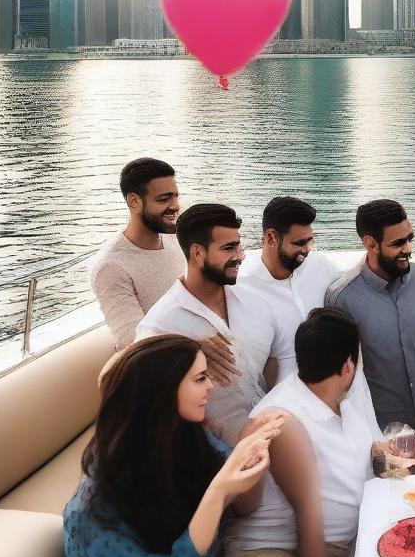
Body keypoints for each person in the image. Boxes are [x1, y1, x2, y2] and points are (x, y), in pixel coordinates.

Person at [63, 335, 362, 557]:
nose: (212, 387)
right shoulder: (99, 500)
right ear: (162, 389)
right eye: (200, 379)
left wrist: (252, 449)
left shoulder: (188, 438)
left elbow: (247, 505)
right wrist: (218, 493)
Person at [226, 308, 383, 557]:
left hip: (349, 545)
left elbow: (373, 451)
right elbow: (309, 521)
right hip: (277, 555)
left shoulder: (346, 397)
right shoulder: (284, 420)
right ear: (349, 365)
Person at [136, 204, 287, 443]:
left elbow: (273, 363)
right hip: (212, 455)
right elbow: (144, 405)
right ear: (197, 253)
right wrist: (185, 352)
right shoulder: (159, 326)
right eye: (229, 248)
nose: (240, 255)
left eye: (239, 245)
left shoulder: (258, 304)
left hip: (274, 434)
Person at [325, 199, 415, 433]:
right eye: (398, 243)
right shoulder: (341, 298)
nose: (408, 249)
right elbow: (335, 379)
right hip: (378, 432)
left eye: (410, 239)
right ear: (370, 244)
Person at [238, 196, 343, 382]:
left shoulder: (322, 267)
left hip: (330, 396)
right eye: (299, 243)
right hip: (279, 404)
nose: (307, 250)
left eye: (310, 241)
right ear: (271, 238)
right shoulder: (242, 286)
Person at [90, 157, 186, 349]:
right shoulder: (112, 268)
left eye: (176, 196)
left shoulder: (175, 240)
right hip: (164, 372)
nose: (176, 205)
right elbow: (135, 347)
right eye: (164, 199)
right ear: (134, 201)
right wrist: (197, 344)